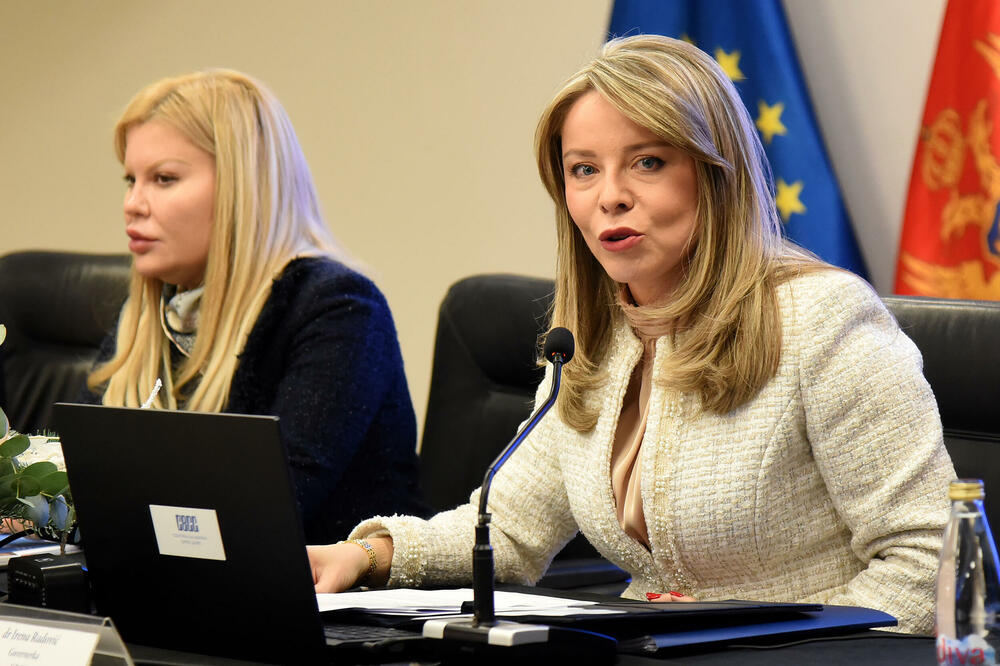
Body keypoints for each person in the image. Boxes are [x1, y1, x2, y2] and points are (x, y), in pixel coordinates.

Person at [308, 36, 955, 634]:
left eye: (646, 161)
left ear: (714, 173)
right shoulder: (593, 338)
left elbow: (931, 569)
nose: (609, 197)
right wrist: (364, 554)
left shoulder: (823, 321)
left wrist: (774, 647)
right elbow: (507, 531)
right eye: (583, 169)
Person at [85, 69, 424, 544]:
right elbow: (82, 481)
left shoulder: (339, 309)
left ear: (241, 190)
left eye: (163, 178)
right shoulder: (156, 312)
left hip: (341, 611)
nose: (133, 204)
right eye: (130, 180)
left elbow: (260, 508)